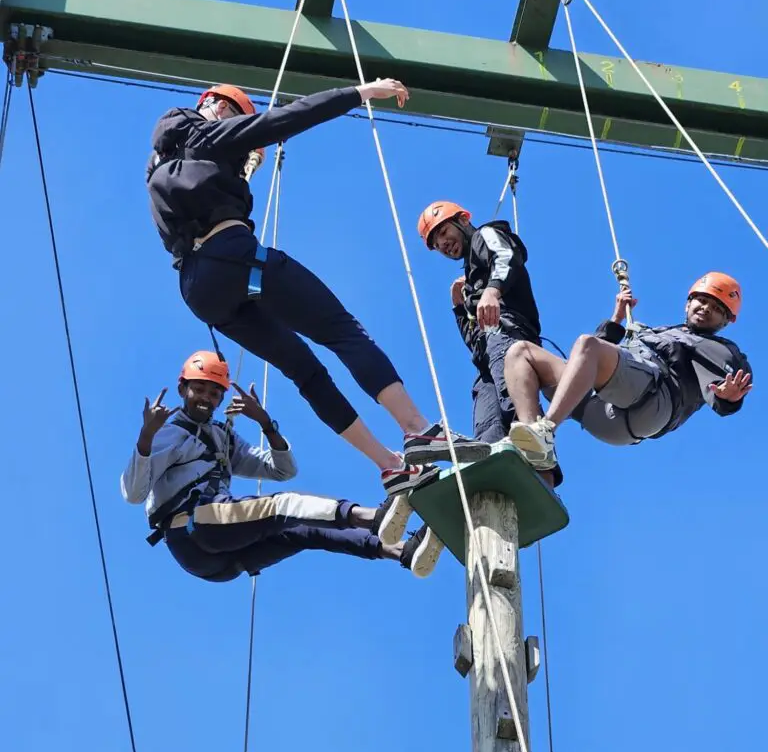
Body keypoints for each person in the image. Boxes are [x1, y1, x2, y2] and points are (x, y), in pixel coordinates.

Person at [146, 81, 486, 498]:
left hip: (201, 290)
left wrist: (239, 167)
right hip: (234, 257)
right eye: (237, 115)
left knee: (304, 371)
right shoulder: (209, 135)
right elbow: (288, 116)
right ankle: (418, 431)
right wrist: (362, 92)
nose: (240, 123)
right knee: (343, 333)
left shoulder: (161, 168)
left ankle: (390, 467)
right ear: (214, 106)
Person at [119, 351, 445, 583]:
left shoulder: (222, 438)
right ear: (182, 389)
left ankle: (402, 551)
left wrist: (266, 424)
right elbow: (134, 494)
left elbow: (281, 470)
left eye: (214, 393)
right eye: (199, 389)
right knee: (284, 506)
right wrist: (146, 437)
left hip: (223, 561)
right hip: (189, 530)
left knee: (301, 531)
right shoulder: (168, 431)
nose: (205, 398)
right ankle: (376, 517)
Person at [500, 272, 753, 472]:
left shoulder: (718, 348)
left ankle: (545, 431)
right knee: (521, 352)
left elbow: (727, 384)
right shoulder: (658, 332)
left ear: (726, 321)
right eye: (702, 300)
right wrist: (617, 319)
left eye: (717, 308)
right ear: (688, 303)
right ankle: (533, 443)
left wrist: (728, 398)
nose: (706, 308)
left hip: (652, 403)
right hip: (604, 412)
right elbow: (585, 360)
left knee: (589, 344)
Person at [415, 199, 562, 484]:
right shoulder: (471, 284)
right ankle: (490, 478)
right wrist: (459, 306)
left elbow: (508, 255)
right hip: (486, 360)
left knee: (517, 404)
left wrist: (493, 291)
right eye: (437, 243)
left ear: (464, 220)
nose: (444, 243)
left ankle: (545, 475)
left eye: (445, 232)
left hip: (508, 335)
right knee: (488, 426)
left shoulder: (486, 235)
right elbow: (474, 341)